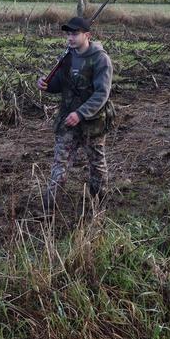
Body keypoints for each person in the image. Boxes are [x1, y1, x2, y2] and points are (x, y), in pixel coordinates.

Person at [37, 15, 114, 210]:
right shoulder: (67, 56)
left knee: (97, 165)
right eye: (68, 34)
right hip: (68, 120)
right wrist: (46, 85)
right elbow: (60, 85)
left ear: (87, 35)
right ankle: (48, 209)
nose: (70, 38)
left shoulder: (100, 59)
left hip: (93, 122)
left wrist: (80, 114)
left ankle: (100, 206)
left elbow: (102, 94)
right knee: (59, 163)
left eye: (75, 34)